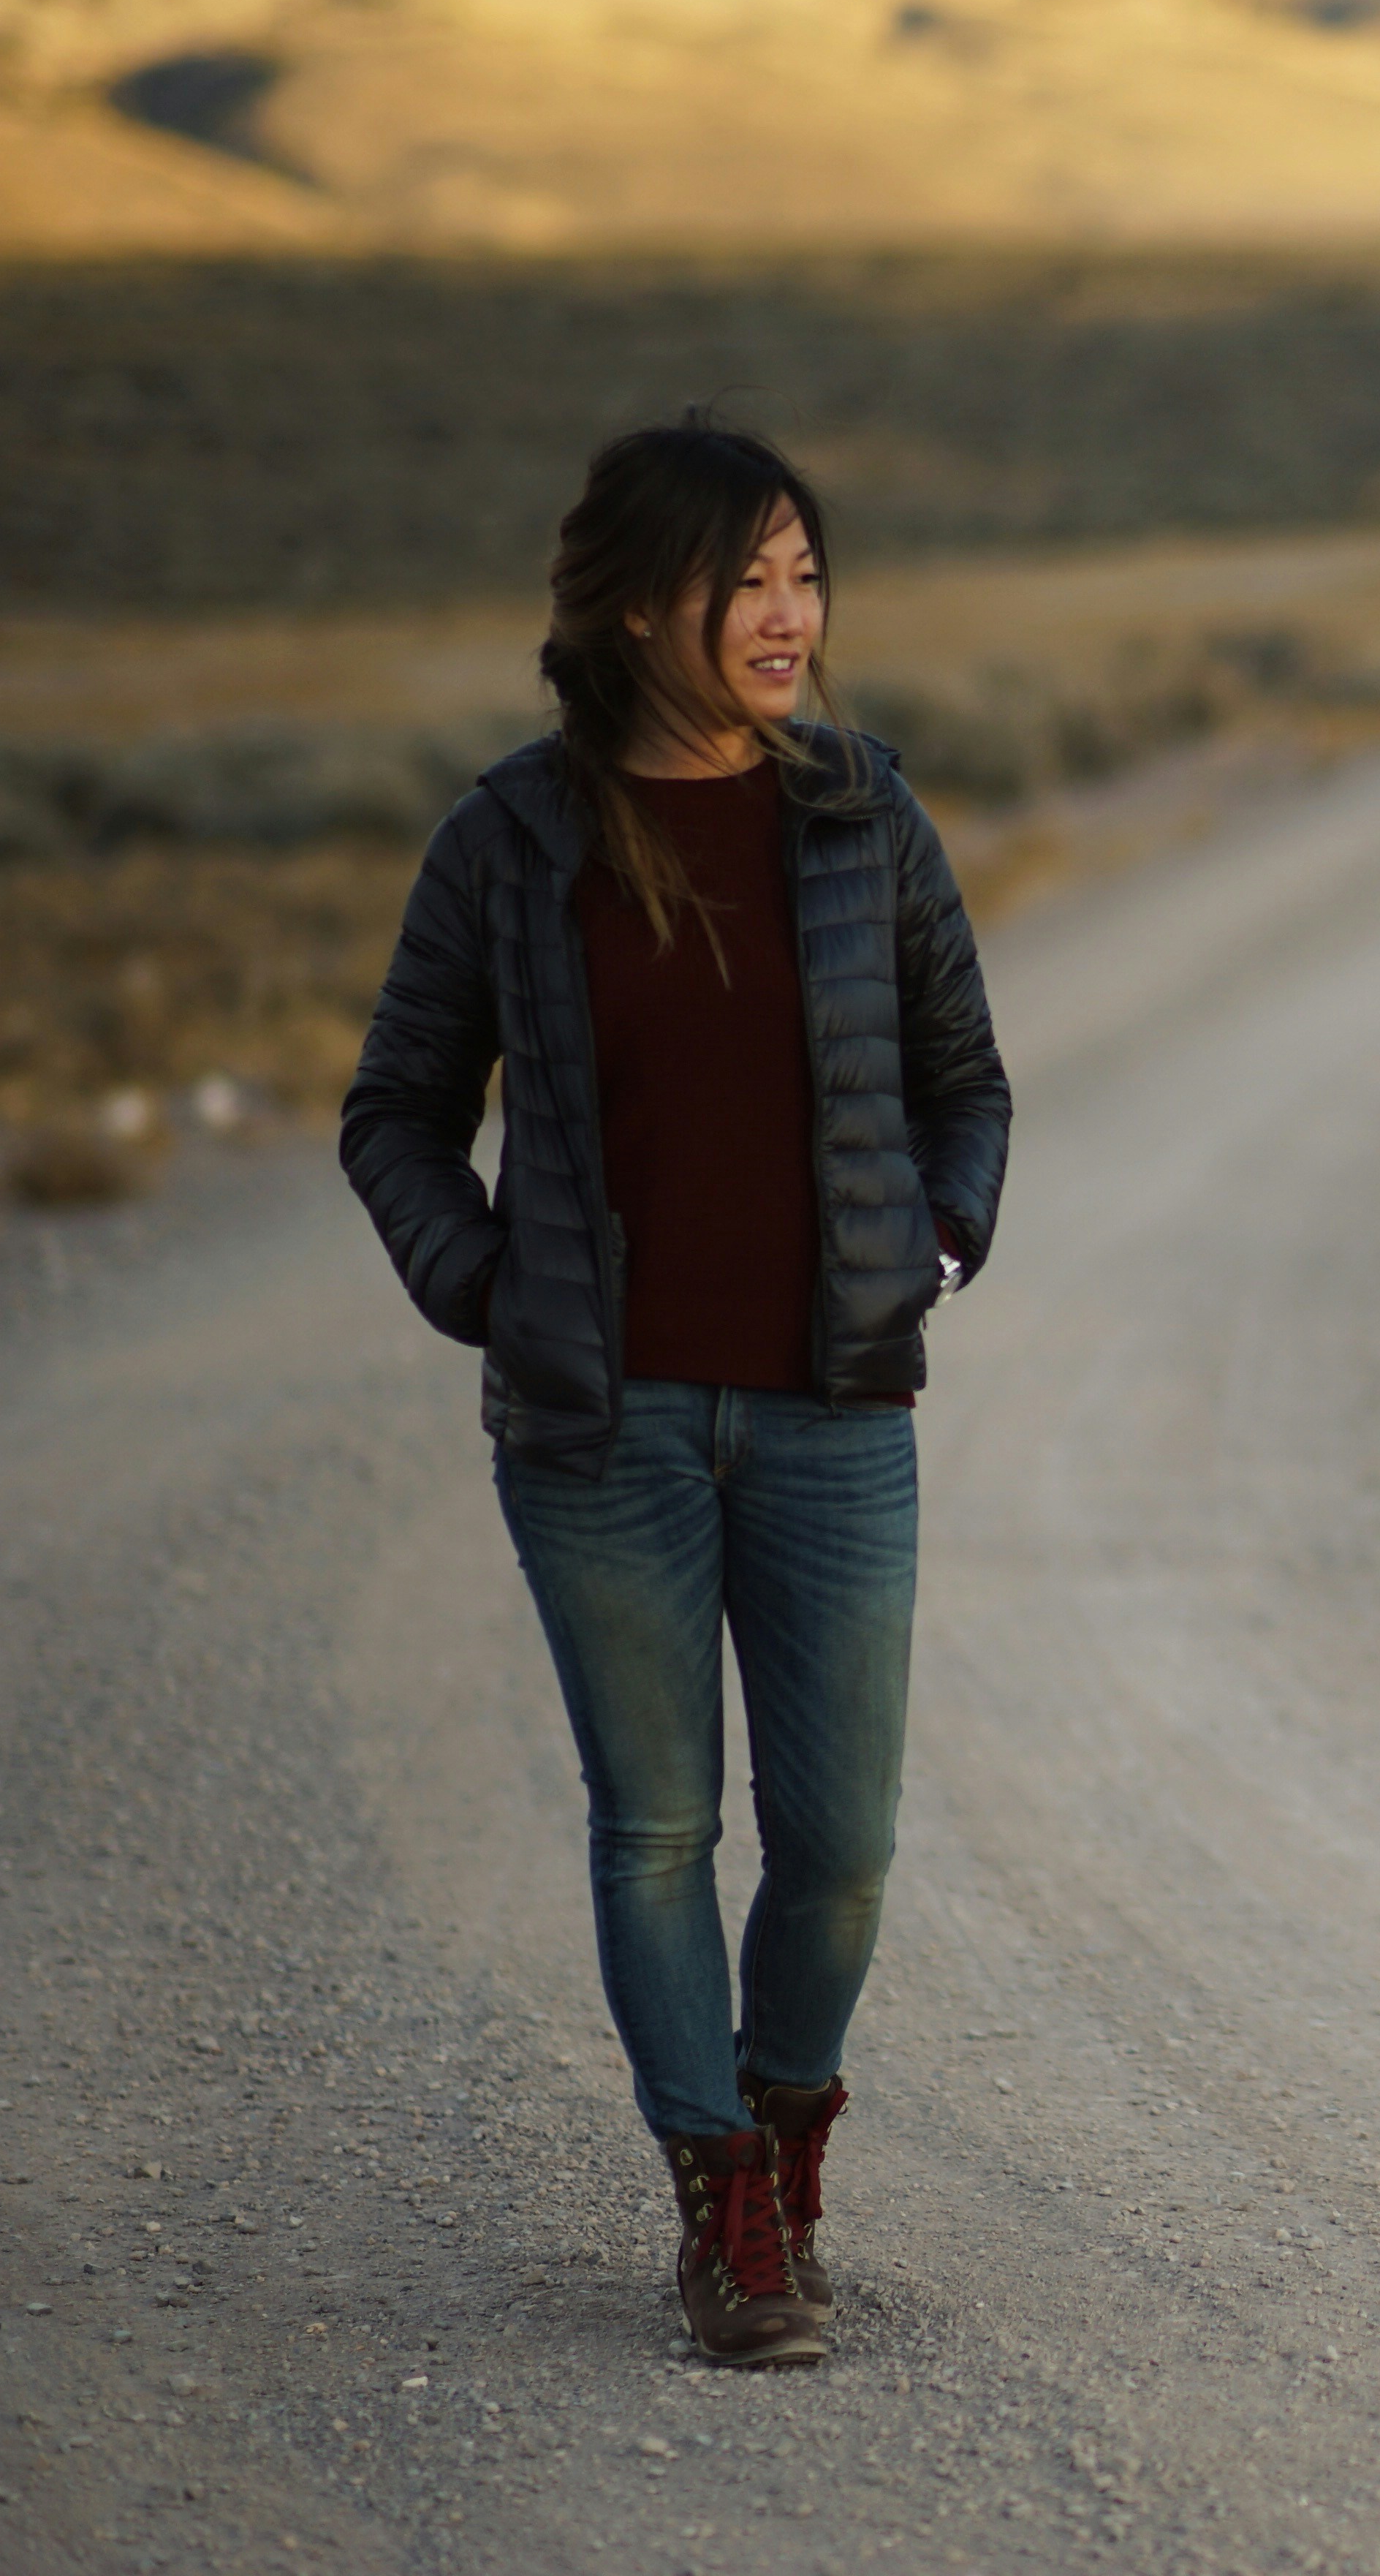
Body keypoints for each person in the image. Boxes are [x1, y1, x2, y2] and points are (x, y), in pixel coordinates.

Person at [340, 417, 1010, 2368]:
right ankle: (722, 2200)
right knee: (653, 1830)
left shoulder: (864, 816)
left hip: (830, 1414)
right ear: (641, 606)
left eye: (808, 573)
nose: (791, 614)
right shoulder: (509, 841)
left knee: (843, 1842)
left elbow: (967, 1080)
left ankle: (787, 2125)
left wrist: (938, 1255)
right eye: (750, 580)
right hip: (600, 1434)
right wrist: (491, 1291)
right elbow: (396, 1110)